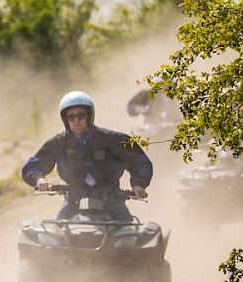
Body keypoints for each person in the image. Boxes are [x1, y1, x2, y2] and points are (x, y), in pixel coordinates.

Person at [22, 91, 154, 221]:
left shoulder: (114, 139)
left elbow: (140, 162)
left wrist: (138, 184)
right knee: (56, 231)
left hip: (112, 201)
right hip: (74, 201)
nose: (76, 120)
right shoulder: (58, 143)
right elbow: (33, 166)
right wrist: (39, 180)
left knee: (128, 233)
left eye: (81, 115)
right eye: (71, 117)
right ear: (65, 120)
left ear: (89, 116)